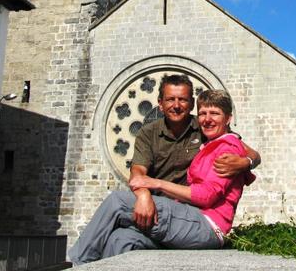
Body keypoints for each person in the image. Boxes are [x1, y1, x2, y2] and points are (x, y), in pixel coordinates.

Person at [68, 87, 255, 264]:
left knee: (117, 201)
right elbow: (138, 170)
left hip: (207, 225)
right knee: (122, 238)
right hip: (188, 220)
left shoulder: (227, 147)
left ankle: (80, 264)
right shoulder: (206, 141)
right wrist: (143, 194)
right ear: (160, 103)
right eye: (203, 114)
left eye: (214, 113)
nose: (207, 119)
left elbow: (206, 196)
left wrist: (155, 183)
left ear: (228, 118)